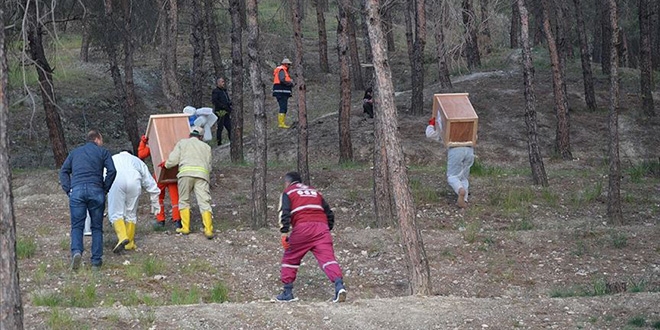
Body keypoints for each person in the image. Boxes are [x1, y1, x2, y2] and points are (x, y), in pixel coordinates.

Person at [275, 171, 347, 303]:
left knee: (291, 257)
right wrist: (326, 228)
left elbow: (284, 212)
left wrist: (284, 232)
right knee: (328, 259)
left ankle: (287, 292)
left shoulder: (288, 192)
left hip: (303, 227)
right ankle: (339, 286)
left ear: (287, 182)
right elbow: (329, 213)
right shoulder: (315, 192)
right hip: (321, 228)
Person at [59, 130, 116, 271]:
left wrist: (68, 189)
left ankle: (76, 252)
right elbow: (112, 171)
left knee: (77, 226)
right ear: (97, 139)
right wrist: (105, 188)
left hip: (77, 190)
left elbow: (63, 171)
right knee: (96, 227)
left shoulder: (74, 153)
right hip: (96, 190)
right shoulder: (102, 152)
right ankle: (96, 261)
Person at [163, 127, 214, 239]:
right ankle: (208, 229)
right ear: (201, 137)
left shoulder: (182, 143)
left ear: (190, 135)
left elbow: (173, 160)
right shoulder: (206, 147)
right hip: (202, 175)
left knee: (184, 200)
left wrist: (166, 164)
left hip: (185, 174)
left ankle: (185, 228)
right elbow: (209, 166)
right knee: (204, 201)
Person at [107, 150, 161, 252]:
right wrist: (155, 198)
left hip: (116, 179)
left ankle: (122, 237)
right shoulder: (136, 160)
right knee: (131, 213)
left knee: (116, 212)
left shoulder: (113, 158)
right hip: (134, 180)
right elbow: (148, 179)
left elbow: (105, 172)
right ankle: (130, 243)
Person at [425, 117, 475, 208]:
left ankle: (460, 190)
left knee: (452, 176)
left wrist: (431, 125)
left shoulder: (445, 119)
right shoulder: (467, 118)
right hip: (469, 149)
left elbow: (430, 134)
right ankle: (464, 200)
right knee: (464, 176)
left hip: (455, 149)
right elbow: (475, 137)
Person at [138, 135, 182, 229]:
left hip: (159, 173)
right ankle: (177, 220)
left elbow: (141, 154)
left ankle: (160, 220)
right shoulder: (175, 142)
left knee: (158, 197)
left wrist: (143, 143)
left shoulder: (154, 142)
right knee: (175, 198)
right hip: (172, 172)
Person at [272, 58, 294, 129]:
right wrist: (290, 83)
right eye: (288, 64)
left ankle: (282, 123)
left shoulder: (282, 70)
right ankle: (281, 123)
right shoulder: (282, 70)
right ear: (284, 64)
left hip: (281, 92)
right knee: (283, 107)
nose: (289, 66)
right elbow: (282, 80)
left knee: (283, 107)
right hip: (281, 91)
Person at [212, 77, 232, 146]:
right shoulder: (216, 91)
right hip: (220, 112)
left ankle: (232, 141)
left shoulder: (224, 91)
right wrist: (222, 106)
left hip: (226, 111)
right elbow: (214, 101)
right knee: (220, 127)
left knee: (230, 127)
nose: (224, 83)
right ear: (218, 83)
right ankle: (219, 143)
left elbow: (227, 100)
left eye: (224, 82)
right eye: (222, 82)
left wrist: (229, 104)